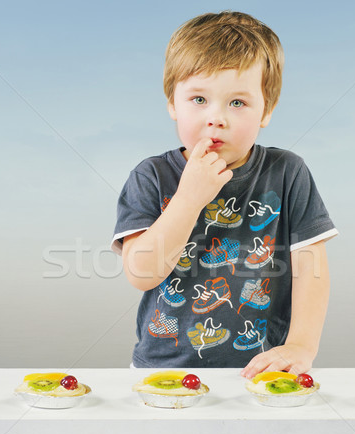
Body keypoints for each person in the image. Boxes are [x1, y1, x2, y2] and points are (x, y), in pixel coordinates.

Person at [111, 11, 338, 378]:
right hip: (159, 369)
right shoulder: (151, 175)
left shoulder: (287, 172)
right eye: (199, 99)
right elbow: (142, 273)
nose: (216, 117)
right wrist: (188, 198)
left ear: (267, 110)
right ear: (172, 103)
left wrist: (301, 345)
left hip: (261, 369)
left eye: (237, 103)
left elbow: (312, 269)